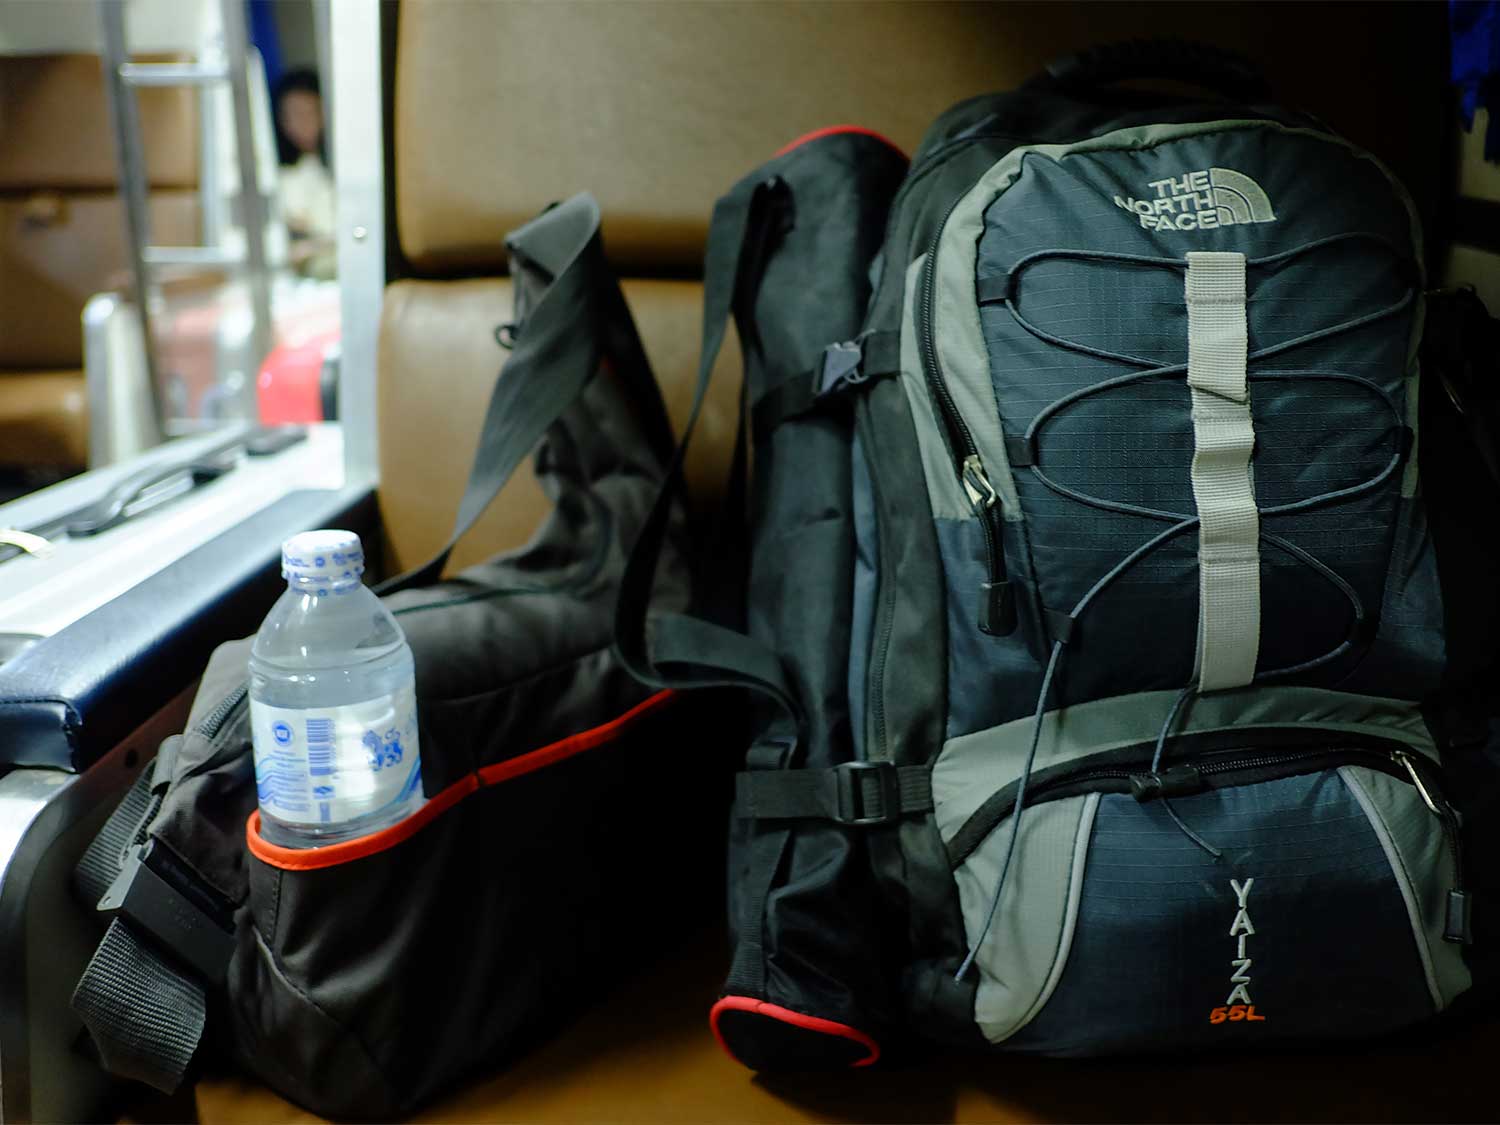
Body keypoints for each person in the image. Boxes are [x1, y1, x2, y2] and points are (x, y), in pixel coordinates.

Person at [273, 68, 336, 278]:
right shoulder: (282, 174)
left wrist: (313, 246)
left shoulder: (343, 169)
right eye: (291, 116)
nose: (300, 124)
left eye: (308, 112)